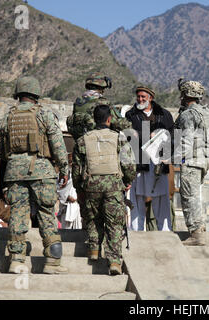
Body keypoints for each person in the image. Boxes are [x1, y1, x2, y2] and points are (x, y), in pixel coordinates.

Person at [0, 76, 70, 274]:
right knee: (46, 214)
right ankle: (52, 261)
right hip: (42, 171)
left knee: (18, 214)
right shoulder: (45, 114)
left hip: (15, 173)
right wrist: (64, 168)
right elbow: (58, 146)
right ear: (36, 94)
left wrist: (15, 159)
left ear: (18, 94)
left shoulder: (7, 117)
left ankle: (17, 260)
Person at [66, 72, 131, 259]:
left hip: (85, 154)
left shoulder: (78, 103)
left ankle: (93, 246)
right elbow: (122, 123)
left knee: (90, 209)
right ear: (102, 88)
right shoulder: (103, 104)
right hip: (104, 154)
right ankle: (113, 257)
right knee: (112, 213)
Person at [72, 105, 136, 275]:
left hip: (91, 184)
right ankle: (114, 260)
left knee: (93, 217)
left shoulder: (82, 140)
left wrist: (79, 188)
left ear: (94, 119)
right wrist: (128, 181)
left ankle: (93, 248)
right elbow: (129, 165)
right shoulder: (119, 138)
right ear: (109, 119)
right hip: (113, 185)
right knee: (114, 222)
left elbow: (77, 168)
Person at [173, 79, 209, 246]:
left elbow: (185, 141)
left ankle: (196, 233)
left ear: (185, 95)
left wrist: (176, 159)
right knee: (194, 195)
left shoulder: (188, 115)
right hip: (204, 161)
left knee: (189, 196)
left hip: (191, 161)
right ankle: (200, 229)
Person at [125, 86, 174, 232]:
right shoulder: (131, 115)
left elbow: (172, 136)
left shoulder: (164, 115)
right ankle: (136, 231)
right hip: (140, 163)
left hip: (159, 164)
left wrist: (162, 140)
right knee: (137, 198)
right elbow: (127, 136)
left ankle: (165, 231)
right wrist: (144, 136)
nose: (140, 99)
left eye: (143, 97)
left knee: (161, 199)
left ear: (150, 98)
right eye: (138, 97)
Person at [57, 154, 82, 229]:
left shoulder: (80, 173)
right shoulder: (62, 175)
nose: (71, 164)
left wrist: (78, 198)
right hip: (66, 204)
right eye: (70, 162)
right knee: (66, 229)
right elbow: (59, 188)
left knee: (78, 228)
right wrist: (67, 197)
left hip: (77, 204)